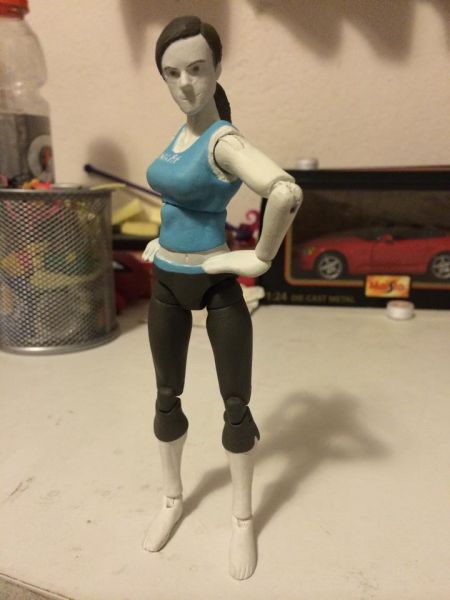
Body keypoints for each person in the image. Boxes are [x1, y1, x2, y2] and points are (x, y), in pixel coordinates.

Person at [142, 16, 302, 580]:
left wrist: (257, 258)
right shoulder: (181, 135)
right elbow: (179, 202)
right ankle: (172, 499)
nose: (185, 83)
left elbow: (284, 191)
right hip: (166, 282)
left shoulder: (223, 141)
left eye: (197, 69)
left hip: (214, 286)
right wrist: (161, 240)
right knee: (166, 397)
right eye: (172, 73)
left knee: (236, 407)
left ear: (215, 69)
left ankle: (241, 518)